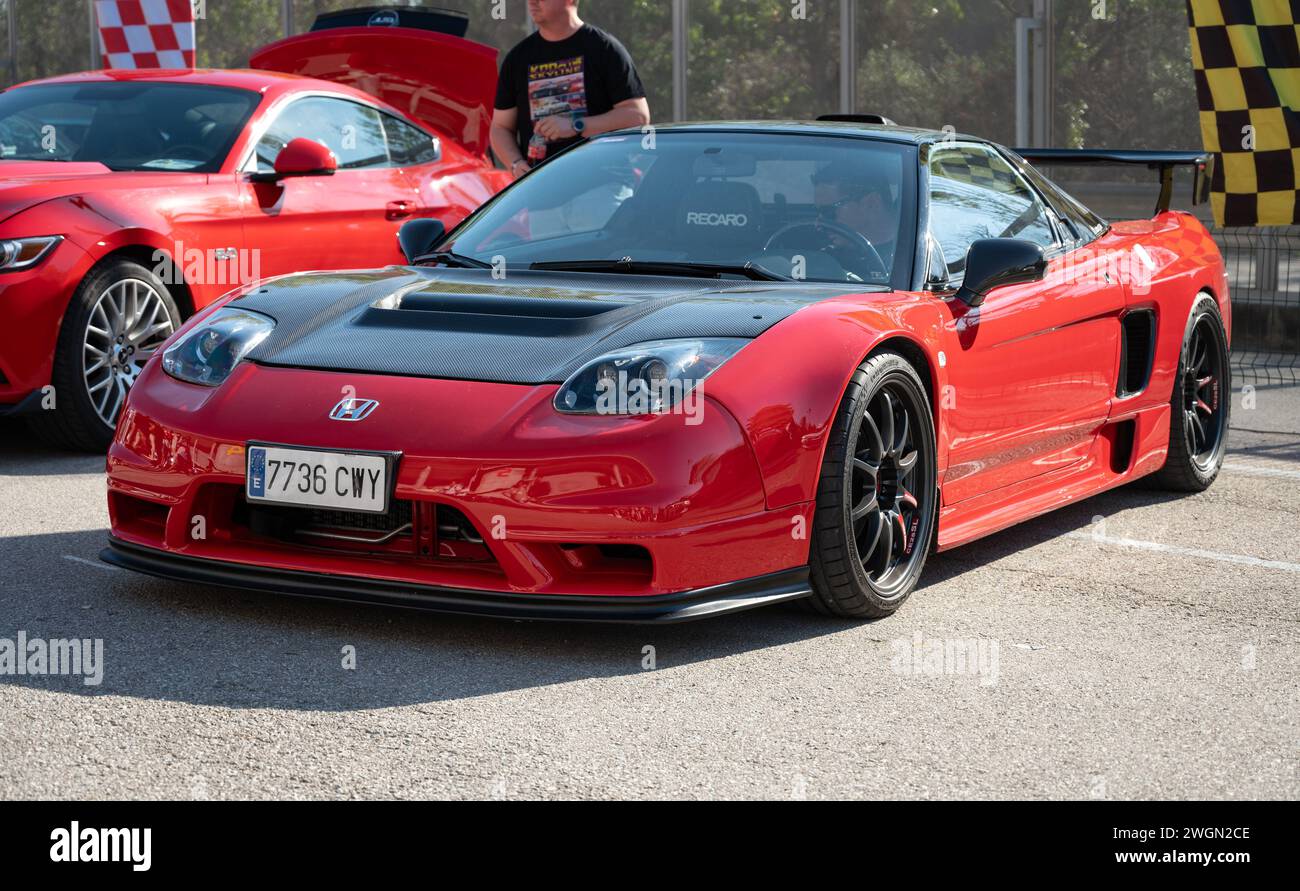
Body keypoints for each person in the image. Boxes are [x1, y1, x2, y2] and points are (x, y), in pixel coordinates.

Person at [491, 0, 651, 179]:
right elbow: (500, 127)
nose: (532, 1)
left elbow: (637, 116)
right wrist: (515, 164)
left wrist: (576, 125)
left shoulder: (604, 48)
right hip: (541, 193)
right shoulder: (517, 58)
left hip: (602, 185)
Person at [811, 161, 900, 272]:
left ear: (871, 203)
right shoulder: (825, 262)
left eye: (828, 212)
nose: (818, 224)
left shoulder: (917, 259)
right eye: (817, 212)